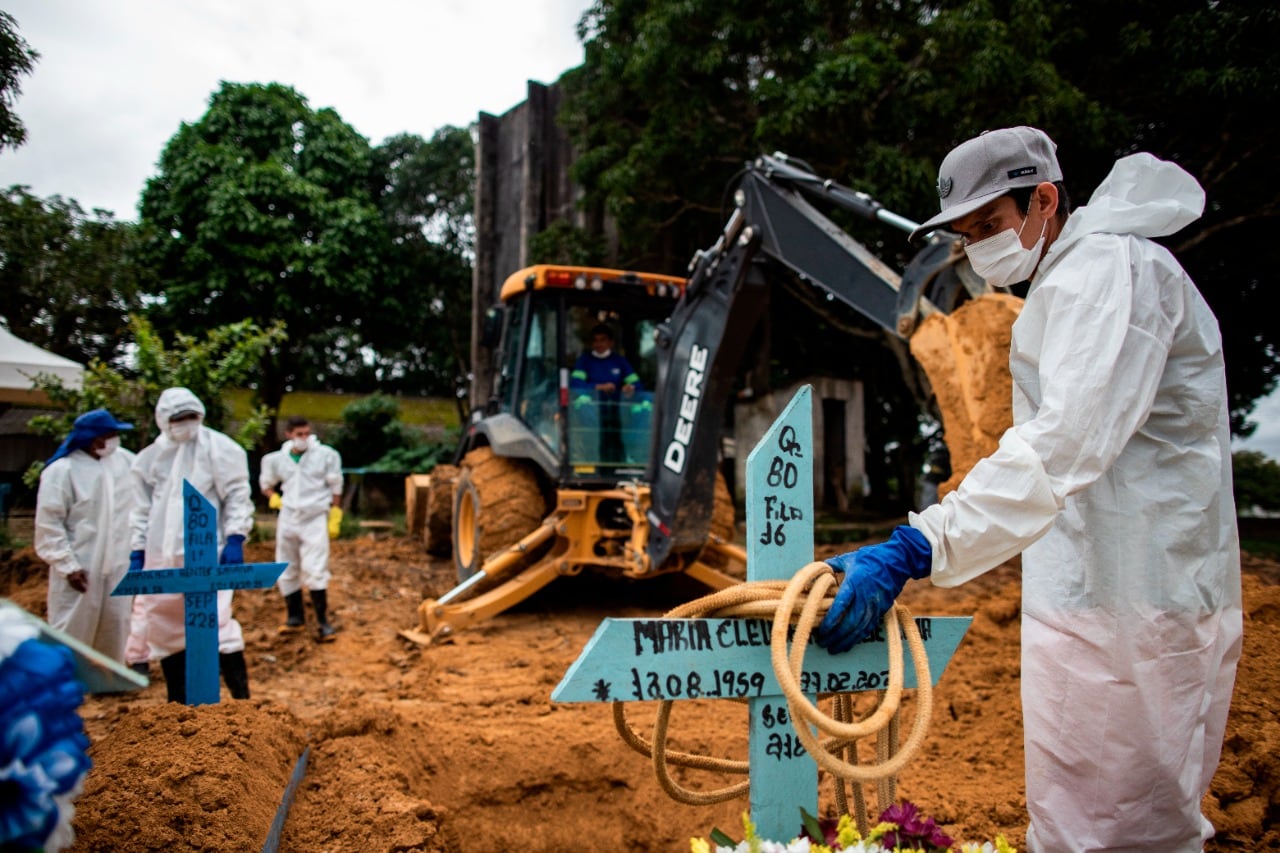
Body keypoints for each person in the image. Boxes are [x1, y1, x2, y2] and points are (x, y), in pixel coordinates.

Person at [814, 127, 1242, 851]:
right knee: (1078, 809)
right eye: (967, 233)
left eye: (990, 225)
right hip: (1096, 585)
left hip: (1147, 591)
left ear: (1044, 198)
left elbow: (1060, 444)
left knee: (1130, 820)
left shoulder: (1109, 275)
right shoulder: (1070, 280)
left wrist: (921, 544)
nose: (979, 247)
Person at [127, 387, 255, 703]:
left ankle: (241, 701)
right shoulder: (149, 459)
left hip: (207, 553)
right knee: (164, 627)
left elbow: (238, 494)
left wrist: (236, 537)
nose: (185, 423)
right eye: (177, 418)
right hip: (162, 557)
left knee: (218, 622)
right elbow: (140, 508)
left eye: (190, 417)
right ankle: (179, 704)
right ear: (163, 420)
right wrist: (137, 549)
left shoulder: (221, 449)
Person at [33, 408, 137, 662]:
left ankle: (108, 681)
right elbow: (50, 522)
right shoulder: (62, 470)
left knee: (115, 621)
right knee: (73, 623)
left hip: (119, 563)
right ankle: (64, 681)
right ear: (95, 438)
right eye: (110, 434)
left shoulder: (124, 462)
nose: (115, 440)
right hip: (81, 564)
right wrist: (67, 565)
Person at [259, 414, 343, 641]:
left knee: (315, 567)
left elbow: (336, 486)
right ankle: (294, 617)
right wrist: (273, 497)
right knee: (286, 566)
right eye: (299, 435)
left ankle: (323, 621)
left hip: (315, 516)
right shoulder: (276, 460)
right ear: (288, 435)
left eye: (307, 433)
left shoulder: (326, 456)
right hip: (288, 516)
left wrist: (335, 513)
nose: (304, 438)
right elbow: (266, 484)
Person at [570, 324, 641, 462]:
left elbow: (637, 384)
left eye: (602, 340)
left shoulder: (620, 362)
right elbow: (576, 385)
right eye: (595, 340)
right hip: (591, 416)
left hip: (617, 412)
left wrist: (630, 389)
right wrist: (598, 387)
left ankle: (628, 460)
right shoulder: (585, 361)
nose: (599, 344)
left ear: (610, 342)